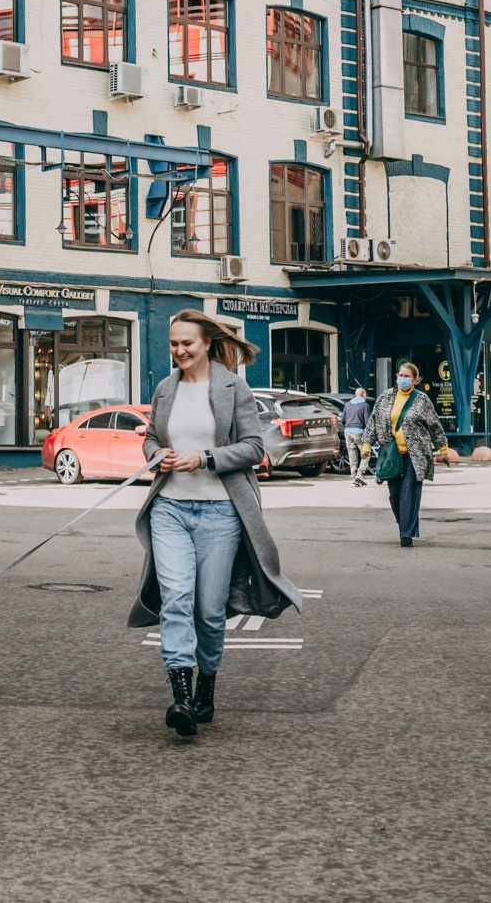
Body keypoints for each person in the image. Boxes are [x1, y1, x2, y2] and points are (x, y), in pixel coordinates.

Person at [130, 310, 302, 736]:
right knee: (176, 598)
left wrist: (205, 458)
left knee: (208, 610)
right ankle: (182, 697)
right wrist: (156, 454)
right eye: (173, 343)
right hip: (169, 507)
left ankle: (207, 684)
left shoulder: (233, 386)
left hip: (221, 511)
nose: (179, 350)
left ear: (207, 343)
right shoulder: (165, 389)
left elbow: (254, 449)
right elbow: (152, 435)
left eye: (187, 342)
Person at [366, 361, 453, 547]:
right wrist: (366, 446)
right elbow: (373, 422)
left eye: (407, 376)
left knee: (409, 493)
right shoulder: (385, 398)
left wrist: (443, 450)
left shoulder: (422, 400)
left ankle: (406, 534)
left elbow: (435, 426)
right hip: (392, 455)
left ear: (415, 380)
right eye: (400, 375)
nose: (402, 379)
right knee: (395, 495)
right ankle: (405, 523)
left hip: (416, 455)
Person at [341, 386, 372, 487]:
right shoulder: (364, 405)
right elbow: (367, 421)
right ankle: (360, 474)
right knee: (366, 454)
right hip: (359, 432)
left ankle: (354, 478)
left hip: (348, 432)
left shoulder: (348, 405)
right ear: (364, 395)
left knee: (352, 455)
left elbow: (343, 420)